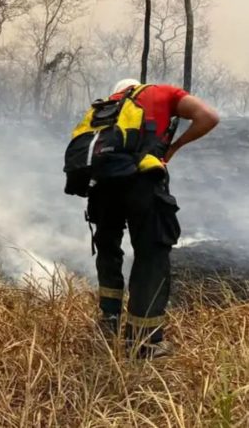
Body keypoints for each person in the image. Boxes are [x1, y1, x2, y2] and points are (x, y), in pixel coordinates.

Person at [88, 78, 218, 358]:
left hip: (104, 186)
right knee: (151, 255)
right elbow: (209, 117)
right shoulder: (161, 93)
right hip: (142, 183)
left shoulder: (107, 106)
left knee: (109, 249)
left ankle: (109, 320)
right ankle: (144, 342)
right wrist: (174, 147)